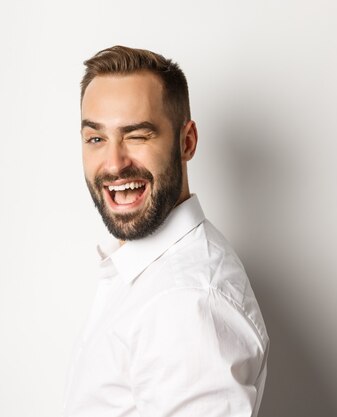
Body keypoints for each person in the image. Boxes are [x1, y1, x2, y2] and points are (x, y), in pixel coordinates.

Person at [63, 45, 269, 417]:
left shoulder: (186, 303)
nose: (114, 163)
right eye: (96, 138)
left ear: (186, 141)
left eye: (137, 136)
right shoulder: (147, 277)